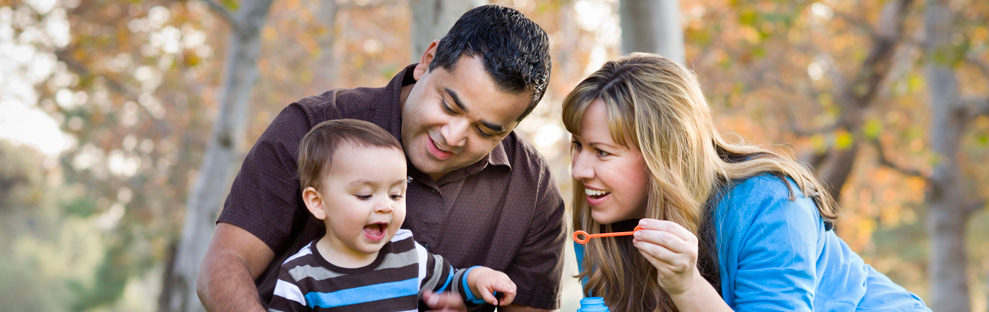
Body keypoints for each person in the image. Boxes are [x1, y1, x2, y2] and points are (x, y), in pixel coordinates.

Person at [198, 5, 565, 312]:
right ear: (427, 61)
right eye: (448, 105)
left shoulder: (533, 193)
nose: (452, 136)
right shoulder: (311, 127)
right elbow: (227, 264)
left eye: (486, 131)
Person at [563, 53, 931, 311]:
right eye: (578, 146)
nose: (579, 170)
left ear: (665, 154)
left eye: (602, 152)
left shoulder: (770, 203)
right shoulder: (601, 227)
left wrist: (686, 286)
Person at [266, 119, 516, 311]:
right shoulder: (300, 275)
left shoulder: (407, 253)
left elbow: (451, 283)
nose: (386, 206)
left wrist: (479, 278)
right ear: (318, 202)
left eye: (396, 194)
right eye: (365, 195)